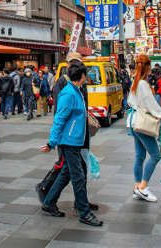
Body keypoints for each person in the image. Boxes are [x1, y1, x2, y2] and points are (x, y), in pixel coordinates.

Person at [39, 61, 103, 227]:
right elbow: (59, 119)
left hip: (75, 140)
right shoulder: (69, 93)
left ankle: (49, 202)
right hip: (69, 142)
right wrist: (51, 142)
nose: (87, 76)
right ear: (81, 75)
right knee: (78, 177)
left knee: (66, 173)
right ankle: (84, 213)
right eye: (85, 74)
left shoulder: (77, 91)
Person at [128, 54, 161, 203]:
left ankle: (137, 187)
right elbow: (152, 106)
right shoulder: (142, 84)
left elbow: (130, 101)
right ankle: (143, 187)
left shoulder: (136, 81)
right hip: (143, 123)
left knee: (139, 155)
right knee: (155, 155)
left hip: (134, 121)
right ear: (148, 67)